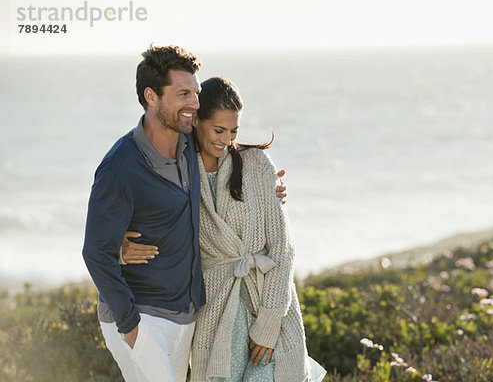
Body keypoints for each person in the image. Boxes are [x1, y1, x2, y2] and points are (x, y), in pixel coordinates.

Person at [83, 46, 286, 382]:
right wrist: (131, 327)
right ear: (151, 96)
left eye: (195, 93)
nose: (194, 102)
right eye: (183, 94)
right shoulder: (121, 166)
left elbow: (223, 144)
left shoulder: (189, 145)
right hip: (143, 317)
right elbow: (94, 251)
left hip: (187, 319)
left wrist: (269, 188)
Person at [122, 77, 325, 382]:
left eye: (234, 131)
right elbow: (158, 230)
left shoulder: (256, 165)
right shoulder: (178, 175)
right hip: (216, 314)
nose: (226, 140)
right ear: (196, 121)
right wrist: (119, 244)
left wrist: (269, 323)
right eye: (219, 130)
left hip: (268, 305)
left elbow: (283, 249)